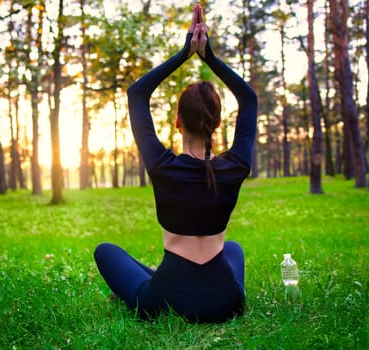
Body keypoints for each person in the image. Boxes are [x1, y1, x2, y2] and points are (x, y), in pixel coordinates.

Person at [94, 4, 257, 323]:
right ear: (218, 123)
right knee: (233, 248)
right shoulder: (235, 166)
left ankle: (153, 279)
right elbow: (249, 98)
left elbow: (137, 94)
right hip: (227, 303)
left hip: (166, 300)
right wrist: (208, 55)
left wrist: (186, 53)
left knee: (106, 251)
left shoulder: (162, 165)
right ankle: (164, 277)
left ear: (178, 121)